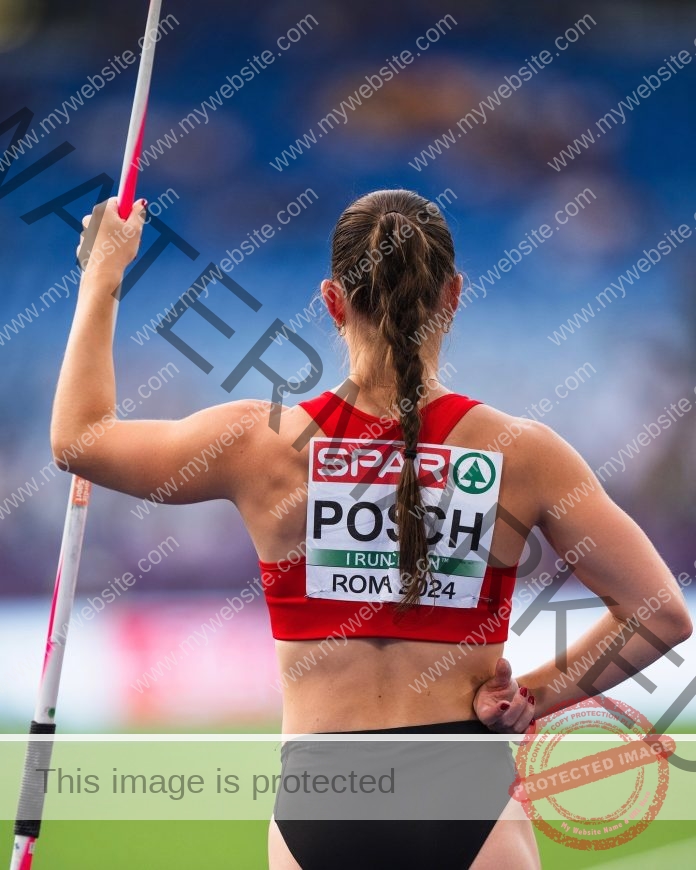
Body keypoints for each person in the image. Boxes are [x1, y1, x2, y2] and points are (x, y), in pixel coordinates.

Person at [52, 190, 692, 869]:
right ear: (454, 295)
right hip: (467, 795)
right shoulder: (522, 452)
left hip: (323, 795)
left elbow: (79, 440)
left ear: (332, 302)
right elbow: (661, 615)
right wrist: (531, 696)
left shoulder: (260, 445)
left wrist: (104, 276)